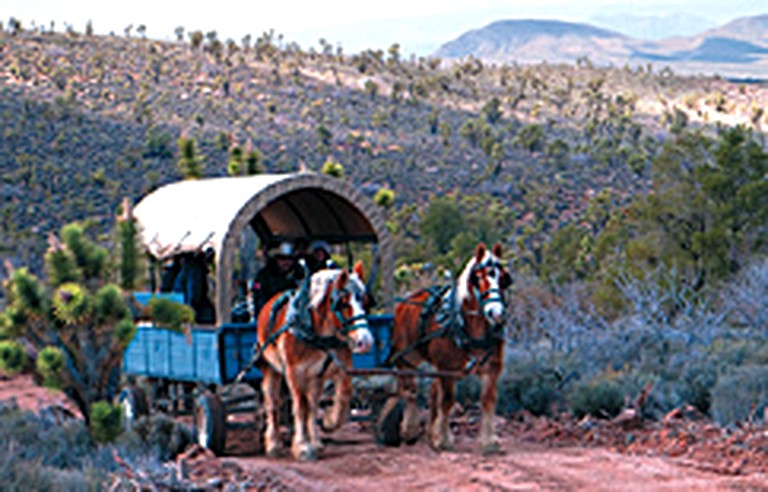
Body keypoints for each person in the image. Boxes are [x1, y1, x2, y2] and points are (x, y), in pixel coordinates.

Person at [252, 241, 303, 315]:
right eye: (283, 258)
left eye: (290, 259)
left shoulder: (299, 273)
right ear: (276, 259)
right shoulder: (264, 275)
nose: (286, 262)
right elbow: (259, 297)